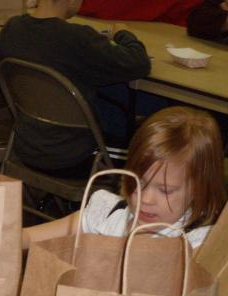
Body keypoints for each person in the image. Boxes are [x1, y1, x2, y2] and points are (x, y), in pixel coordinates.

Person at [22, 106, 227, 250]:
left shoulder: (198, 243)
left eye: (165, 190)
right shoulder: (109, 215)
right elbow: (30, 237)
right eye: (137, 182)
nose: (145, 199)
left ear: (200, 189)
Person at [0, 0, 151, 178]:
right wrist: (123, 33)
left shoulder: (12, 28)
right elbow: (139, 63)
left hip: (26, 146)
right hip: (75, 157)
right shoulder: (78, 37)